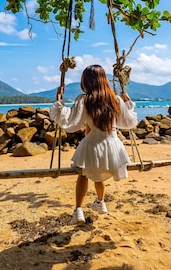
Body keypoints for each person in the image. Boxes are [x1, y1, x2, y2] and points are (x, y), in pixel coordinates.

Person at [50, 64, 138, 225]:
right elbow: (129, 122)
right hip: (113, 146)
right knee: (98, 171)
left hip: (92, 145)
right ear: (104, 79)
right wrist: (128, 103)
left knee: (83, 174)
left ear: (86, 82)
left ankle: (78, 211)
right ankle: (100, 202)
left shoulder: (84, 100)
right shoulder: (115, 100)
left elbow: (71, 123)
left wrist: (58, 103)